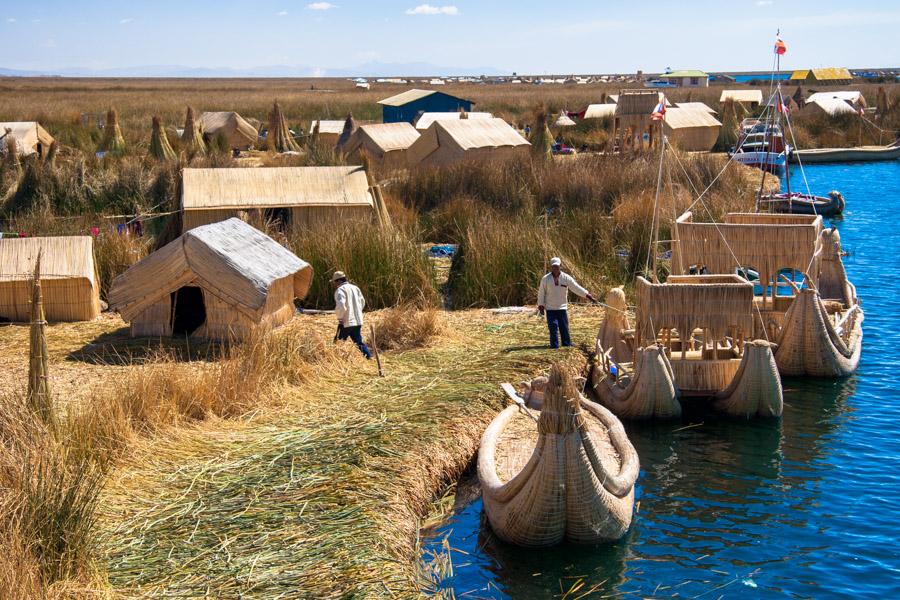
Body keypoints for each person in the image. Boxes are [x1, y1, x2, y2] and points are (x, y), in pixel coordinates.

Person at [537, 257, 595, 349]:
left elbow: (576, 287)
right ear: (551, 267)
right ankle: (554, 347)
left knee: (564, 327)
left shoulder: (566, 278)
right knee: (553, 328)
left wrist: (587, 295)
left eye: (557, 266)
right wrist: (541, 305)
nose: (555, 268)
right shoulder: (545, 279)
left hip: (562, 308)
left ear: (560, 266)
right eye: (553, 266)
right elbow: (541, 293)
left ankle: (566, 344)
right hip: (550, 308)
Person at [332, 271, 371, 359]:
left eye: (335, 282)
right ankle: (368, 357)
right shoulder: (355, 288)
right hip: (358, 321)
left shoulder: (340, 290)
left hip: (346, 322)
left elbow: (341, 305)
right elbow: (362, 302)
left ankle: (334, 360)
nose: (334, 284)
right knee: (359, 342)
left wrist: (340, 317)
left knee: (338, 342)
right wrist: (357, 312)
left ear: (338, 281)